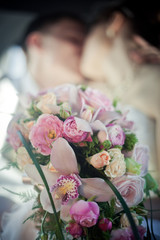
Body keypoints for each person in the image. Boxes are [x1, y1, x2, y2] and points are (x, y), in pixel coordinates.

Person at [80, 0, 160, 182]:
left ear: (115, 22)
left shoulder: (156, 82)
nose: (81, 47)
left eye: (87, 35)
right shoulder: (100, 92)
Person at [0, 12, 87, 95]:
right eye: (75, 40)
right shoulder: (6, 96)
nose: (87, 50)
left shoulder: (91, 99)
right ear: (37, 42)